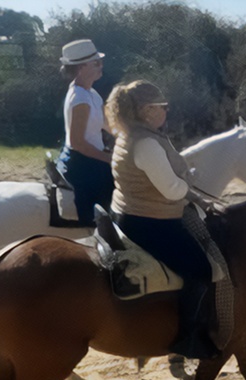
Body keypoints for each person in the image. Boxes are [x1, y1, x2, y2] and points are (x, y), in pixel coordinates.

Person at [105, 80, 219, 360]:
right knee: (202, 269)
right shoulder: (147, 144)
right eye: (162, 107)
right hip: (150, 221)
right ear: (146, 111)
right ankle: (188, 339)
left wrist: (193, 195)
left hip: (125, 211)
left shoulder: (129, 135)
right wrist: (193, 194)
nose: (166, 111)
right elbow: (170, 189)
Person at [57, 39, 115, 226]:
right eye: (96, 63)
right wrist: (109, 159)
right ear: (81, 67)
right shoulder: (80, 98)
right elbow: (77, 142)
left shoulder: (91, 93)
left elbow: (108, 125)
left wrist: (130, 138)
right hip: (83, 162)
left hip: (92, 156)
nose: (101, 66)